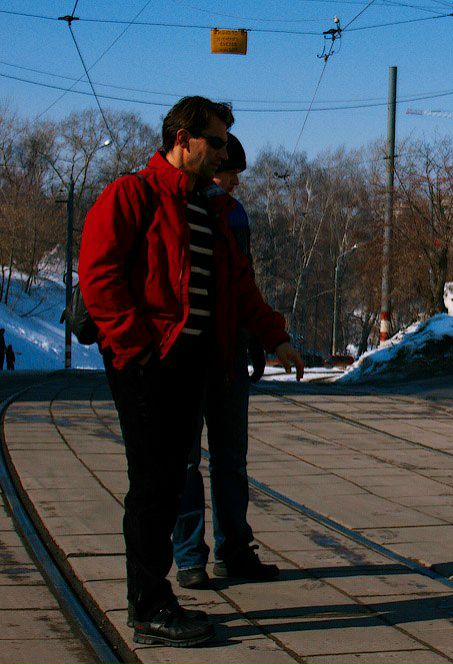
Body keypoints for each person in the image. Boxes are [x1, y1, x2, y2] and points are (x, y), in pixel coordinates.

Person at [78, 96, 304, 648]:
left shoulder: (208, 210)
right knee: (154, 484)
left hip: (198, 365)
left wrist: (276, 335)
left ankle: (155, 597)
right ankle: (150, 604)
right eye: (218, 141)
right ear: (184, 138)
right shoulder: (132, 194)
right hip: (149, 365)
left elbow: (240, 287)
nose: (225, 152)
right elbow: (99, 276)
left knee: (170, 478)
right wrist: (138, 350)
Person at [172, 133, 274, 591]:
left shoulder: (200, 207)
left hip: (202, 349)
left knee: (189, 460)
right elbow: (242, 280)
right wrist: (253, 336)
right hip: (213, 348)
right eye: (230, 173)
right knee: (225, 458)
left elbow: (242, 281)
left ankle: (194, 556)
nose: (234, 183)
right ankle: (228, 550)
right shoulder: (227, 213)